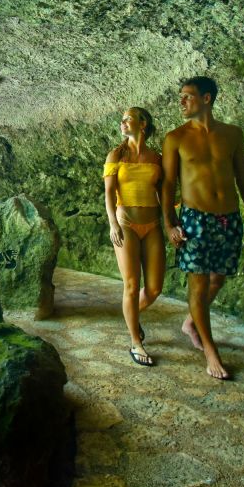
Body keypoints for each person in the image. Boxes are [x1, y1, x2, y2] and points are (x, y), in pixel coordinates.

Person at [161, 76, 244, 380]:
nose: (181, 102)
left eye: (187, 96)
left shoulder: (232, 134)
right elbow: (167, 184)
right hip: (194, 220)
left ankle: (191, 321)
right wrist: (168, 223)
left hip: (228, 218)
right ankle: (210, 350)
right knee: (199, 284)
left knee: (218, 279)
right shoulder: (175, 138)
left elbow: (243, 177)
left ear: (206, 99)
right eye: (180, 97)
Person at [103, 107, 165, 367]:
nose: (122, 123)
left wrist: (172, 222)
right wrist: (112, 224)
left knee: (153, 289)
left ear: (143, 123)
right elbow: (108, 193)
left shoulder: (157, 158)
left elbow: (164, 194)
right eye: (122, 119)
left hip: (152, 224)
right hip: (125, 222)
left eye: (128, 118)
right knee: (131, 284)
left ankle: (131, 317)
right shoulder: (117, 154)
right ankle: (135, 342)